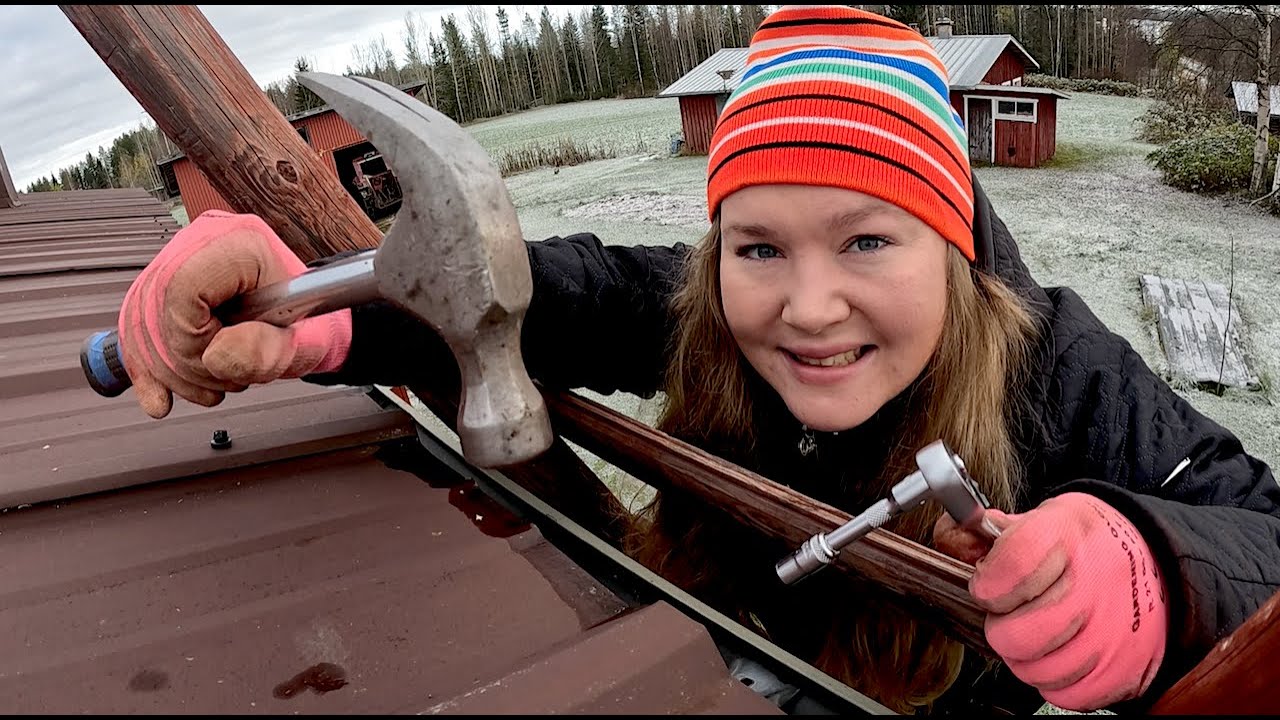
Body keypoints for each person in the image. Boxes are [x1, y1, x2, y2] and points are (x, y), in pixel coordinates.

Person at [113, 5, 1280, 715]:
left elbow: (1257, 533)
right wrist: (327, 314)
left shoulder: (1057, 367)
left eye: (867, 239)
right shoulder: (703, 308)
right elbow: (526, 293)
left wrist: (1157, 573)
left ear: (952, 244)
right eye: (757, 245)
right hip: (670, 657)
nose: (807, 307)